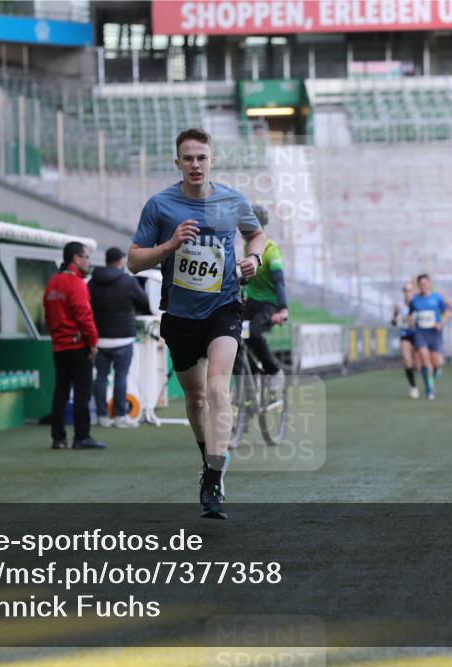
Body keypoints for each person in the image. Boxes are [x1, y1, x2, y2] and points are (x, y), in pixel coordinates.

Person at [127, 128, 266, 520]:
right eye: (188, 158)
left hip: (224, 307)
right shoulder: (160, 205)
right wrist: (169, 246)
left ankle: (214, 478)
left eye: (201, 157)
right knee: (197, 399)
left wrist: (253, 259)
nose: (195, 164)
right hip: (180, 314)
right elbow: (134, 261)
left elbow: (257, 236)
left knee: (218, 387)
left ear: (212, 161)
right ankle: (208, 457)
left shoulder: (233, 200)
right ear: (178, 163)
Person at [43, 241, 105, 450]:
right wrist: (93, 342)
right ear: (77, 259)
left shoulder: (53, 282)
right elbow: (84, 316)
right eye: (86, 257)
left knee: (60, 391)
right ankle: (81, 437)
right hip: (78, 346)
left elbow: (47, 315)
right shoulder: (77, 284)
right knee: (82, 392)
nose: (88, 262)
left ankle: (58, 438)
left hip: (59, 346)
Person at [89, 246, 150, 429]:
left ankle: (101, 416)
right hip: (123, 337)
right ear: (120, 261)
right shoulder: (127, 281)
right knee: (121, 377)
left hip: (99, 338)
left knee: (100, 376)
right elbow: (144, 301)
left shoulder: (92, 282)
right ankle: (120, 416)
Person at [241, 204, 288, 393]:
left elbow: (279, 281)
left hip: (268, 304)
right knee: (229, 333)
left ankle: (275, 371)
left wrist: (283, 309)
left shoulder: (271, 251)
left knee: (253, 332)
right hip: (250, 302)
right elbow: (247, 278)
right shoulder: (247, 248)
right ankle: (249, 375)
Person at [407, 273, 452, 401]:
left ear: (429, 284)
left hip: (434, 332)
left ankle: (437, 369)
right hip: (420, 333)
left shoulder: (437, 298)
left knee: (435, 362)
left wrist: (442, 322)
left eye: (426, 283)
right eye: (421, 284)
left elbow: (447, 311)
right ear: (419, 285)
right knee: (425, 360)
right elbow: (410, 314)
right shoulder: (415, 300)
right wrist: (410, 321)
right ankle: (429, 389)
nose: (424, 286)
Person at [391, 281, 421, 399]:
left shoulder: (419, 303)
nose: (407, 292)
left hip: (419, 335)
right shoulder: (399, 305)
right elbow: (393, 321)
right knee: (407, 361)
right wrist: (395, 318)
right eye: (405, 290)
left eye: (409, 290)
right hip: (405, 334)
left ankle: (420, 375)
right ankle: (413, 387)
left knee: (417, 365)